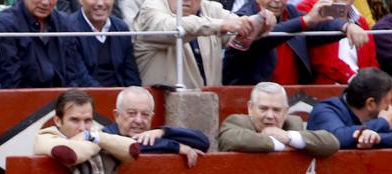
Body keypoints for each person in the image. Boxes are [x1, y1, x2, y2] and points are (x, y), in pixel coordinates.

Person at [133, 0, 267, 89]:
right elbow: (170, 28)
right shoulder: (150, 8)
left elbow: (240, 26)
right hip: (162, 112)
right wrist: (221, 25)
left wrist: (263, 20)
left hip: (210, 108)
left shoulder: (210, 8)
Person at [223, 0, 356, 85]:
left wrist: (346, 26)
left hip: (294, 97)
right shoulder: (243, 18)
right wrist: (305, 21)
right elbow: (262, 40)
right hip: (252, 99)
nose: (277, 1)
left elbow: (320, 25)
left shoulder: (290, 12)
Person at [217, 81, 340, 155]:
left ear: (286, 112)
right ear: (250, 108)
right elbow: (231, 139)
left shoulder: (293, 123)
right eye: (263, 109)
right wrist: (281, 145)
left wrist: (288, 137)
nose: (270, 116)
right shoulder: (237, 121)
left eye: (276, 110)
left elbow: (331, 143)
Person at [0, 0, 92, 88]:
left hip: (64, 101)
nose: (45, 2)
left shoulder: (63, 23)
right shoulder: (5, 25)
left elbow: (73, 74)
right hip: (21, 100)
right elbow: (10, 81)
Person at [307, 66, 392, 148]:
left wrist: (377, 138)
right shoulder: (326, 110)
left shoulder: (379, 115)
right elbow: (337, 138)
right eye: (387, 102)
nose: (390, 108)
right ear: (370, 104)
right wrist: (381, 123)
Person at [108, 86, 210, 167]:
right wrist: (177, 147)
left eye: (145, 114)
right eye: (132, 113)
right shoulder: (106, 134)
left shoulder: (153, 138)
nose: (139, 120)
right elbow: (131, 147)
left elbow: (203, 143)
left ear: (152, 117)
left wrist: (164, 132)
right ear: (117, 116)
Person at [68, 0, 140, 86]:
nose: (100, 3)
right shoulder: (69, 28)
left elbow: (131, 74)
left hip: (121, 94)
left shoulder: (121, 28)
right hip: (85, 95)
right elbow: (80, 77)